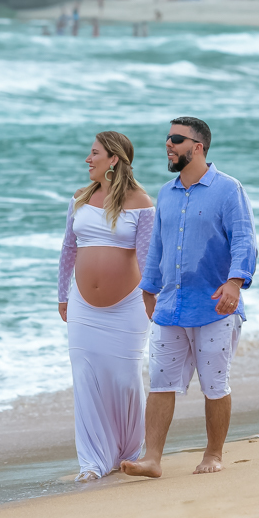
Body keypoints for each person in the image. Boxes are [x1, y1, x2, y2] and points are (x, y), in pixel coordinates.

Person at [122, 117, 257, 478]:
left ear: (197, 147)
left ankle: (213, 454)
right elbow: (157, 248)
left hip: (215, 306)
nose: (169, 145)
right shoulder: (165, 193)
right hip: (170, 306)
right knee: (161, 383)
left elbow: (244, 239)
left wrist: (235, 282)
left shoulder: (229, 189)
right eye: (167, 139)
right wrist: (148, 288)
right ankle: (152, 459)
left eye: (176, 139)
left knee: (214, 384)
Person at [58, 131, 155, 481]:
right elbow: (68, 249)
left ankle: (128, 451)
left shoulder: (141, 202)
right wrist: (62, 295)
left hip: (128, 306)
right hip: (83, 305)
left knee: (125, 378)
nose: (88, 159)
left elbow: (146, 257)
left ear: (113, 159)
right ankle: (92, 462)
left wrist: (153, 298)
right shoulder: (80, 199)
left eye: (94, 153)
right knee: (84, 375)